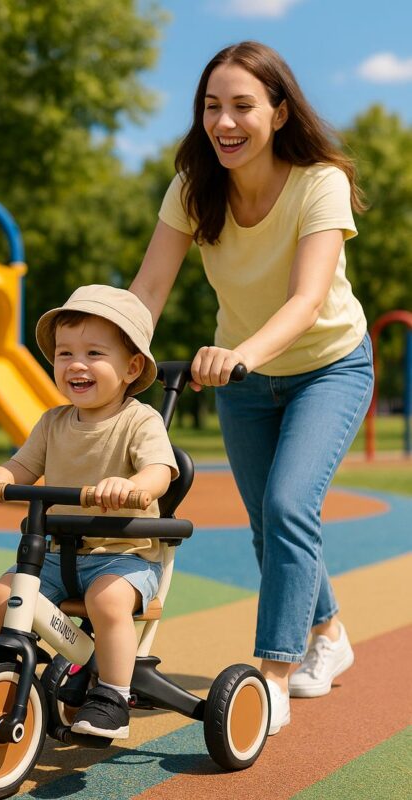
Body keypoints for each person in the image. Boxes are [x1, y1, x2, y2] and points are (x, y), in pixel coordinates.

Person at [130, 41, 374, 735]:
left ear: (278, 111)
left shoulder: (317, 181)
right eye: (211, 106)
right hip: (243, 380)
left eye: (241, 105)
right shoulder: (190, 187)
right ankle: (328, 633)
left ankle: (269, 676)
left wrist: (237, 354)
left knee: (288, 503)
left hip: (328, 365)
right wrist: (112, 358)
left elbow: (304, 301)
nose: (223, 122)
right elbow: (149, 287)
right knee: (271, 529)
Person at [0, 285, 178, 739]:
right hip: (60, 554)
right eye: (64, 353)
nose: (76, 364)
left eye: (94, 352)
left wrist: (132, 486)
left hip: (125, 558)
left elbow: (160, 471)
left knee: (106, 600)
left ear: (131, 366)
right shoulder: (52, 422)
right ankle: (10, 674)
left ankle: (112, 695)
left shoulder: (140, 421)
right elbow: (20, 468)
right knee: (3, 595)